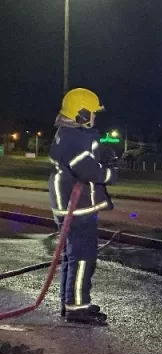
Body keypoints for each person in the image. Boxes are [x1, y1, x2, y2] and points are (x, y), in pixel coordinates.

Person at [48, 88, 117, 325]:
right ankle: (77, 307)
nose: (95, 117)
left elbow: (84, 161)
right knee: (83, 258)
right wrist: (110, 173)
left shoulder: (67, 134)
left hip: (71, 206)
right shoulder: (74, 139)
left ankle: (72, 302)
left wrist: (98, 153)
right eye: (93, 113)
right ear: (81, 114)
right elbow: (88, 171)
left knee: (73, 257)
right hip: (77, 208)